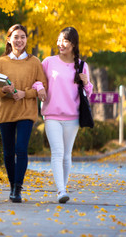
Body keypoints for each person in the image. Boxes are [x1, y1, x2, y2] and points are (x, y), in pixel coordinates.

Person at [0, 24, 47, 203]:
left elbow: (43, 86)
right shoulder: (1, 62)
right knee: (8, 152)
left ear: (26, 40)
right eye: (16, 37)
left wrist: (25, 93)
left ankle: (18, 188)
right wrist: (3, 90)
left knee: (21, 149)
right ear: (9, 40)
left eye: (22, 37)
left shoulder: (35, 62)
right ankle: (12, 184)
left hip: (26, 112)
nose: (19, 40)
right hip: (6, 112)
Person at [33, 27, 93, 204]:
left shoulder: (82, 65)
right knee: (57, 152)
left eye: (65, 41)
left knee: (67, 155)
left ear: (73, 44)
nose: (60, 44)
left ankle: (63, 189)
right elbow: (37, 80)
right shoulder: (49, 62)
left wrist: (86, 82)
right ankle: (60, 190)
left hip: (72, 116)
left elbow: (88, 93)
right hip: (51, 114)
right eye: (59, 40)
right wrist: (40, 88)